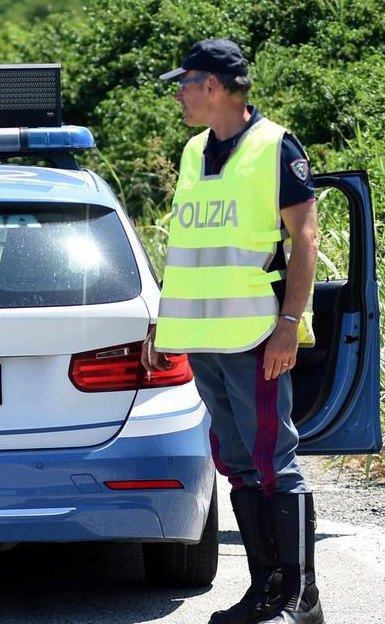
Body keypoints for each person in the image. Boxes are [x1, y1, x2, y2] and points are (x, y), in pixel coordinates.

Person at [144, 39, 323, 624]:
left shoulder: (276, 147)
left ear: (214, 85)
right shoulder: (195, 150)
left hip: (253, 336)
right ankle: (264, 593)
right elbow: (188, 251)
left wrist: (289, 325)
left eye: (185, 83)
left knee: (277, 462)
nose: (179, 94)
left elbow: (305, 239)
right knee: (240, 465)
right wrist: (166, 325)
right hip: (204, 340)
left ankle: (302, 601)